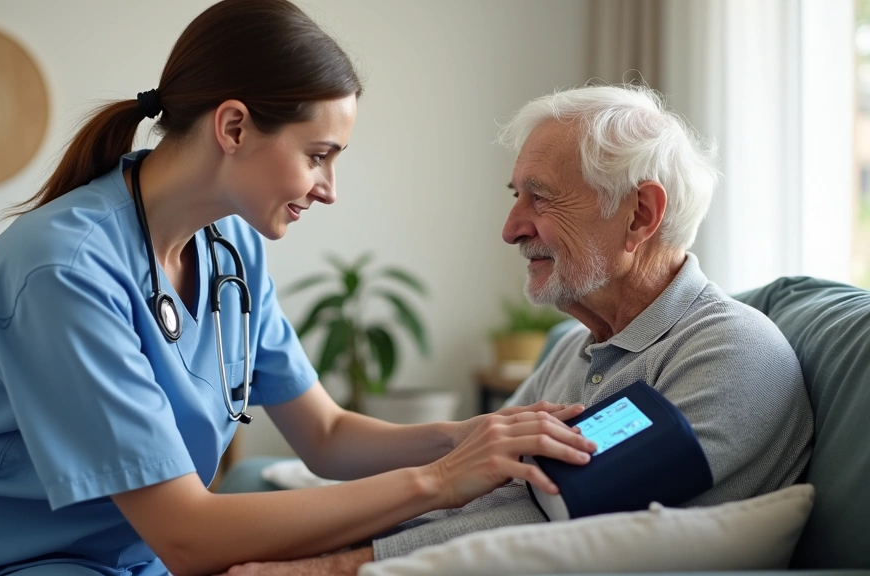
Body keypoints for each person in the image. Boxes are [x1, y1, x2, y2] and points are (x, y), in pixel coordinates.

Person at [0, 1, 600, 575]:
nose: (329, 188)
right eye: (320, 155)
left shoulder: (231, 247)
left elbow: (327, 437)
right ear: (233, 126)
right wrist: (437, 481)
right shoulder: (63, 272)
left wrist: (481, 436)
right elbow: (187, 533)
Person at [223, 84, 815, 576]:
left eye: (541, 198)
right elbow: (481, 489)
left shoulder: (731, 353)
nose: (510, 228)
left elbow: (561, 531)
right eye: (516, 195)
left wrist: (329, 568)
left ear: (640, 215)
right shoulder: (572, 352)